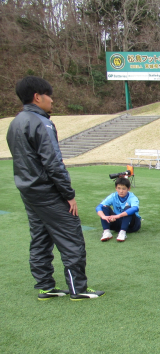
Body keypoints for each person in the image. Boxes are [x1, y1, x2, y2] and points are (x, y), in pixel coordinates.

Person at [6, 76, 104, 300]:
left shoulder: (15, 123)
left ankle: (45, 286)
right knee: (71, 236)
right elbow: (53, 163)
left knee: (40, 237)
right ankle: (77, 289)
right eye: (49, 96)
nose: (52, 101)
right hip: (48, 192)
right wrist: (69, 195)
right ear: (37, 97)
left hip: (28, 191)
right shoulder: (42, 122)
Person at [97, 177, 141, 242]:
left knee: (128, 208)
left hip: (132, 226)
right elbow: (98, 207)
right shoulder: (113, 196)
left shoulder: (132, 197)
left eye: (124, 189)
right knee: (104, 207)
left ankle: (123, 232)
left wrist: (118, 216)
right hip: (117, 224)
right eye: (119, 188)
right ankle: (106, 232)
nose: (121, 191)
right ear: (116, 188)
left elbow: (135, 208)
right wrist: (104, 217)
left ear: (128, 189)